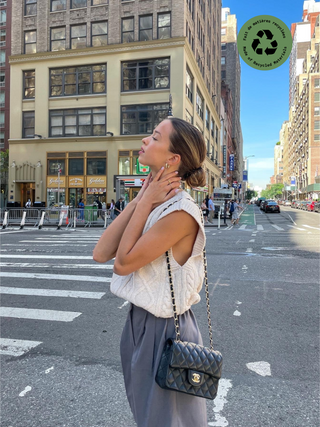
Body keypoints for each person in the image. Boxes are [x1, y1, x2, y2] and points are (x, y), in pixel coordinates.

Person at [93, 117, 209, 426]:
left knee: (165, 420)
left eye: (155, 137)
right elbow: (101, 253)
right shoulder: (156, 201)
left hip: (166, 329)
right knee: (145, 413)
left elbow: (123, 263)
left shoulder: (182, 211)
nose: (145, 140)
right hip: (139, 322)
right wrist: (143, 198)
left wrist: (144, 203)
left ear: (173, 159)